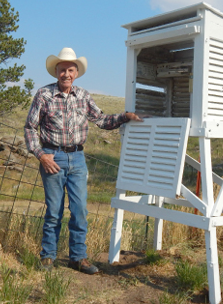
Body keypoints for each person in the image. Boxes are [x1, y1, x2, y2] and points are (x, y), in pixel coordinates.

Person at [24, 47, 142, 274]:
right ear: (55, 72)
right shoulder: (44, 95)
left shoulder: (83, 96)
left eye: (70, 70)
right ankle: (47, 257)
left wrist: (125, 117)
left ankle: (78, 258)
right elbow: (30, 127)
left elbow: (101, 119)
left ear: (76, 73)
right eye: (62, 70)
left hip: (77, 158)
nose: (66, 74)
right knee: (54, 211)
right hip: (52, 157)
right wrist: (41, 155)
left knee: (79, 211)